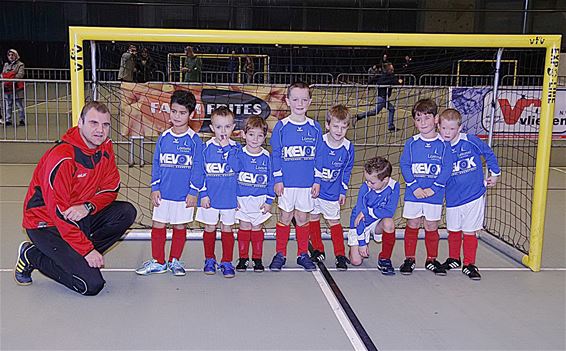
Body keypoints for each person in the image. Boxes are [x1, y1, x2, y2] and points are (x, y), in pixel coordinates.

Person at [14, 101, 136, 295]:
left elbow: (111, 188)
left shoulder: (105, 147)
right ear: (80, 123)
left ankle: (76, 258)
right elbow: (59, 214)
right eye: (93, 123)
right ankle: (32, 255)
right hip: (46, 223)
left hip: (78, 216)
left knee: (126, 212)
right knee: (91, 285)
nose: (100, 130)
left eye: (105, 125)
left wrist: (87, 207)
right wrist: (86, 250)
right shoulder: (62, 157)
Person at [135, 90, 203, 276]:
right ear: (169, 111)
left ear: (191, 114)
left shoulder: (194, 141)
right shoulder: (163, 137)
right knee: (158, 224)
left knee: (179, 226)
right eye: (174, 111)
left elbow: (198, 169)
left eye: (182, 113)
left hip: (184, 195)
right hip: (163, 193)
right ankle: (158, 261)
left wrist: (193, 192)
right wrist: (155, 188)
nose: (177, 116)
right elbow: (156, 164)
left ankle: (174, 261)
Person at [439, 108, 501, 280]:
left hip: (473, 196)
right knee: (453, 230)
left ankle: (469, 263)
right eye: (444, 128)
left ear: (459, 128)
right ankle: (453, 258)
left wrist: (494, 174)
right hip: (452, 197)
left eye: (451, 129)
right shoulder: (439, 146)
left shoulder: (470, 141)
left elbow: (488, 153)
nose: (447, 132)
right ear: (439, 127)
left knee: (469, 231)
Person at [269, 81, 323, 272]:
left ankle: (302, 254)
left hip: (306, 184)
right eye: (295, 99)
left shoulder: (315, 127)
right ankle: (280, 254)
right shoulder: (281, 127)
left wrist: (317, 180)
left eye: (304, 99)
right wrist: (278, 179)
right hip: (287, 184)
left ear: (310, 102)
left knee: (302, 217)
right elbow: (276, 154)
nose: (300, 103)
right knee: (285, 216)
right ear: (287, 101)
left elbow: (319, 156)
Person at [399, 98, 453, 276]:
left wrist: (434, 188)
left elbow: (447, 168)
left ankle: (431, 259)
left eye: (427, 117)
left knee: (431, 225)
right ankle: (409, 259)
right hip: (414, 193)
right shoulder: (412, 143)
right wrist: (414, 186)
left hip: (433, 194)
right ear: (414, 122)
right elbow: (405, 165)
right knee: (412, 223)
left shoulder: (444, 145)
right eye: (418, 118)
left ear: (436, 119)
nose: (423, 122)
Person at [196, 106, 240, 278]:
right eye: (219, 127)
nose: (223, 131)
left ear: (233, 127)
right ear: (212, 128)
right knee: (209, 227)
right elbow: (200, 173)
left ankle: (227, 261)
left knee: (227, 228)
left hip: (229, 197)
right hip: (210, 198)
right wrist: (203, 194)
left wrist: (227, 149)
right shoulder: (205, 148)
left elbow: (238, 168)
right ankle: (209, 259)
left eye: (227, 127)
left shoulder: (236, 148)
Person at [310, 105, 355, 270]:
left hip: (332, 192)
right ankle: (317, 249)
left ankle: (340, 254)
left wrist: (343, 190)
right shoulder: (319, 142)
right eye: (335, 126)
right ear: (328, 125)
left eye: (343, 127)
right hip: (315, 190)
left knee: (334, 222)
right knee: (313, 218)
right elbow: (314, 164)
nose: (339, 130)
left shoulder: (348, 148)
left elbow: (346, 170)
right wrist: (314, 182)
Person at [228, 116, 274, 273]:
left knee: (257, 227)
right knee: (244, 226)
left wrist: (269, 200)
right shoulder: (238, 154)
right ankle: (242, 258)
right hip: (241, 199)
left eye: (260, 135)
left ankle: (257, 259)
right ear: (243, 134)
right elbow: (232, 176)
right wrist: (233, 197)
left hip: (260, 200)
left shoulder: (267, 156)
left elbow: (271, 180)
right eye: (251, 134)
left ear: (264, 137)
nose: (255, 139)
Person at [348, 157, 400, 275]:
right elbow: (359, 219)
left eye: (372, 182)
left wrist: (368, 212)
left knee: (389, 223)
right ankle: (353, 249)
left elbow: (389, 212)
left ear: (385, 180)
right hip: (361, 224)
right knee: (356, 261)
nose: (368, 184)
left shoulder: (394, 186)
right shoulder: (365, 188)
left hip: (377, 221)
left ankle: (384, 259)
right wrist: (361, 243)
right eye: (367, 180)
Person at [355, 62, 398, 132]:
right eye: (391, 69)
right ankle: (359, 116)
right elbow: (393, 81)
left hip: (384, 98)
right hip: (381, 98)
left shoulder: (387, 76)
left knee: (392, 109)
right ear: (388, 70)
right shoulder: (386, 77)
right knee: (375, 112)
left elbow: (373, 80)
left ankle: (391, 126)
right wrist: (368, 87)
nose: (393, 70)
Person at [1, 49, 26, 126]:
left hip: (17, 88)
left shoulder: (20, 64)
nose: (11, 56)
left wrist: (10, 77)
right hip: (7, 88)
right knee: (8, 104)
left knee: (19, 105)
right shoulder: (6, 65)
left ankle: (22, 119)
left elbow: (20, 75)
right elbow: (3, 74)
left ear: (16, 55)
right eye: (9, 55)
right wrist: (8, 77)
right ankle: (8, 119)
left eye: (12, 55)